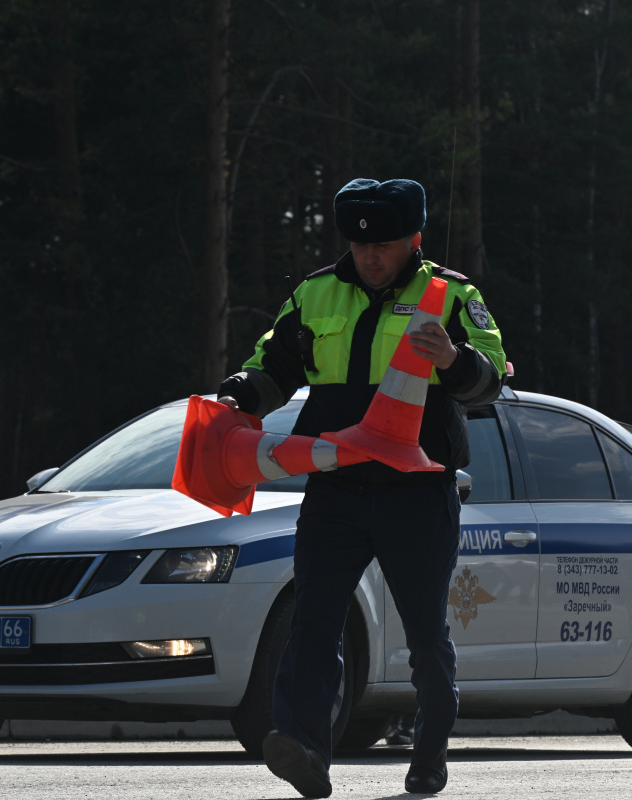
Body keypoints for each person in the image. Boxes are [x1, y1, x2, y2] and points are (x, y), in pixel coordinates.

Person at [217, 178, 506, 797]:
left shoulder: (451, 296)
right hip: (335, 489)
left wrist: (454, 360)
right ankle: (303, 747)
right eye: (361, 244)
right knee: (313, 621)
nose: (372, 256)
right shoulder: (314, 293)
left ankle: (429, 755)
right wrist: (242, 389)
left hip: (418, 492)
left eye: (387, 245)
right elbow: (274, 366)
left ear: (414, 240)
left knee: (426, 634)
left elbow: (489, 382)